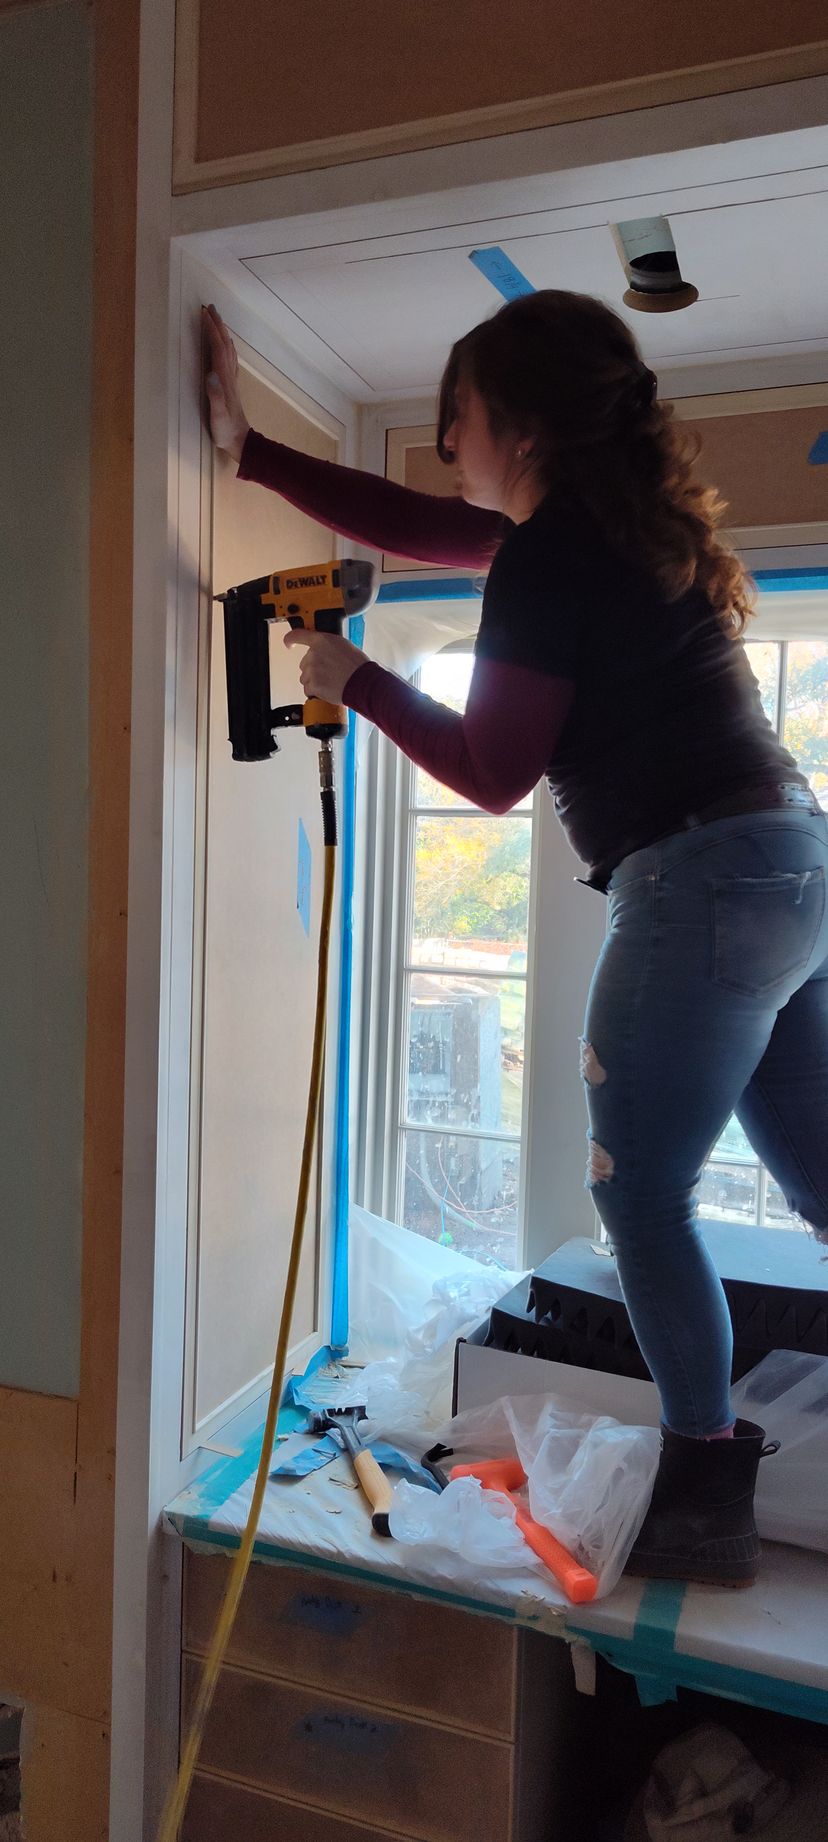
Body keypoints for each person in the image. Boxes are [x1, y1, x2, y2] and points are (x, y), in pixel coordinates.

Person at [203, 295, 828, 1586]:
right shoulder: (604, 533)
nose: (446, 443)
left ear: (523, 426)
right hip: (793, 864)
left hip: (699, 876)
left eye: (461, 416)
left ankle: (705, 1495)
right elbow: (421, 525)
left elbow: (493, 772)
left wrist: (357, 680)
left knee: (638, 1192)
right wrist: (248, 451)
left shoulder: (551, 557)